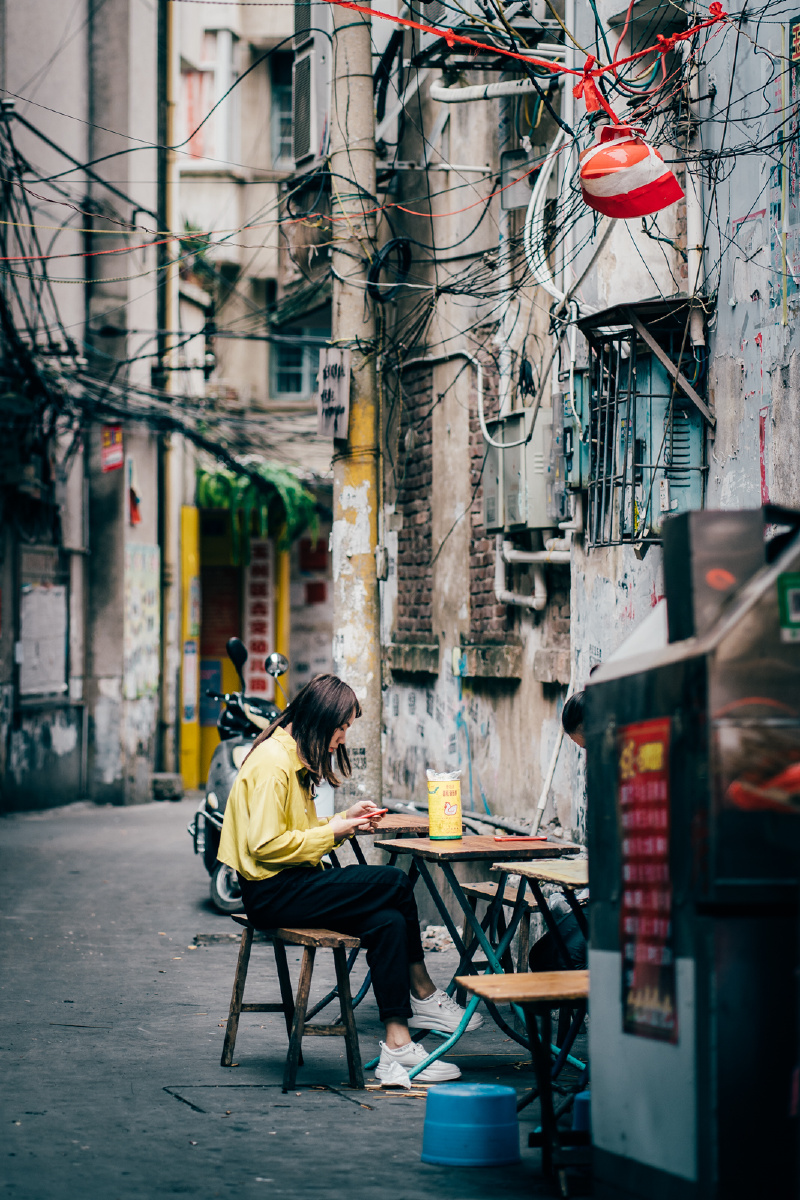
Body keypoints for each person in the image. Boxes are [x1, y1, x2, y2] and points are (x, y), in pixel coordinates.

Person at [217, 673, 482, 1084]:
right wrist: (337, 832)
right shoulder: (273, 763)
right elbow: (266, 846)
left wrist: (345, 820)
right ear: (320, 720)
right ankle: (424, 992)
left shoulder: (289, 759)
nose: (341, 738)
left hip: (290, 883)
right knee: (393, 883)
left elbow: (295, 832)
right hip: (272, 893)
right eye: (341, 727)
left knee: (388, 922)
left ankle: (398, 1047)